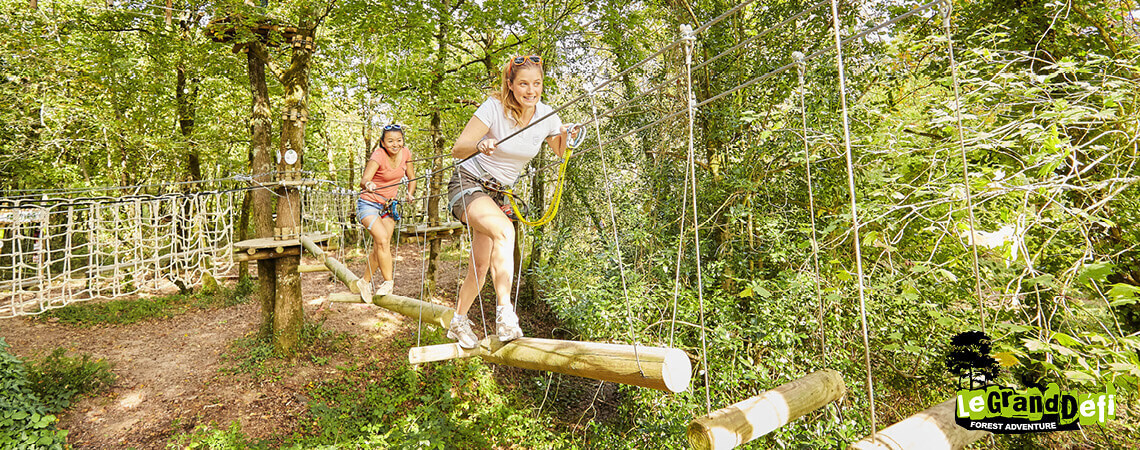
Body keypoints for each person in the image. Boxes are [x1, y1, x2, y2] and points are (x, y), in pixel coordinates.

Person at [445, 55, 579, 348]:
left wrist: (568, 135)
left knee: (479, 268)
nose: (531, 91)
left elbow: (559, 150)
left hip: (496, 193)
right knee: (506, 230)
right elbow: (458, 149)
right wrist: (480, 144)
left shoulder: (546, 115)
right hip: (468, 182)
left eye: (537, 83)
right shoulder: (494, 107)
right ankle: (505, 315)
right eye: (523, 84)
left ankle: (457, 321)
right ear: (510, 85)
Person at [357, 124, 416, 296]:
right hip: (368, 203)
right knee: (382, 240)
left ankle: (364, 282)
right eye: (390, 141)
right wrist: (369, 184)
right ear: (383, 142)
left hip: (389, 206)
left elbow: (412, 177)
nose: (395, 144)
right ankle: (389, 282)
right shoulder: (378, 155)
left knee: (380, 246)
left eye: (398, 140)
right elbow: (364, 179)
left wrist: (410, 194)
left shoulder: (406, 153)